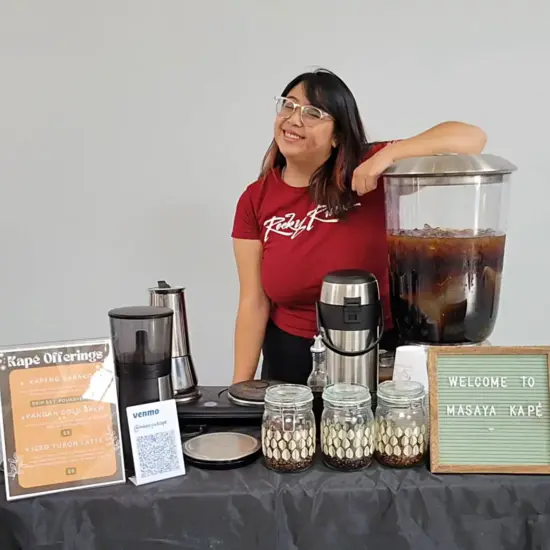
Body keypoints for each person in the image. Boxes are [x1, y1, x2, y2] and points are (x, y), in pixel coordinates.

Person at [231, 68, 487, 385]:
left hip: (377, 350)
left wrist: (390, 155)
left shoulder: (369, 171)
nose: (294, 120)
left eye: (313, 113)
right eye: (289, 105)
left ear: (338, 135)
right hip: (291, 355)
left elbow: (472, 137)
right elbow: (253, 302)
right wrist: (238, 392)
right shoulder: (254, 199)